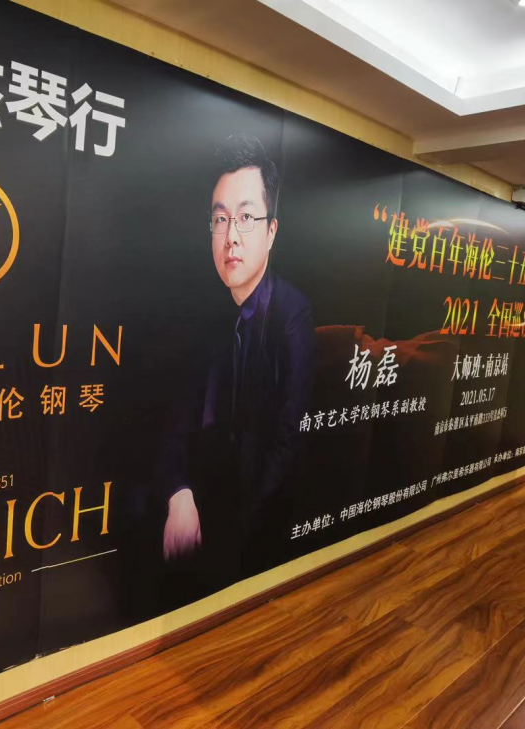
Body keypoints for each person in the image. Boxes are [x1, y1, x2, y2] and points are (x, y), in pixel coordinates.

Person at [163, 133, 314, 572]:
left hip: (259, 521)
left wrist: (232, 535)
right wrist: (178, 492)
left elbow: (288, 440)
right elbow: (176, 418)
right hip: (206, 493)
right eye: (220, 219)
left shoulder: (292, 315)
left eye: (246, 218)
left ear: (271, 232)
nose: (231, 237)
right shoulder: (203, 313)